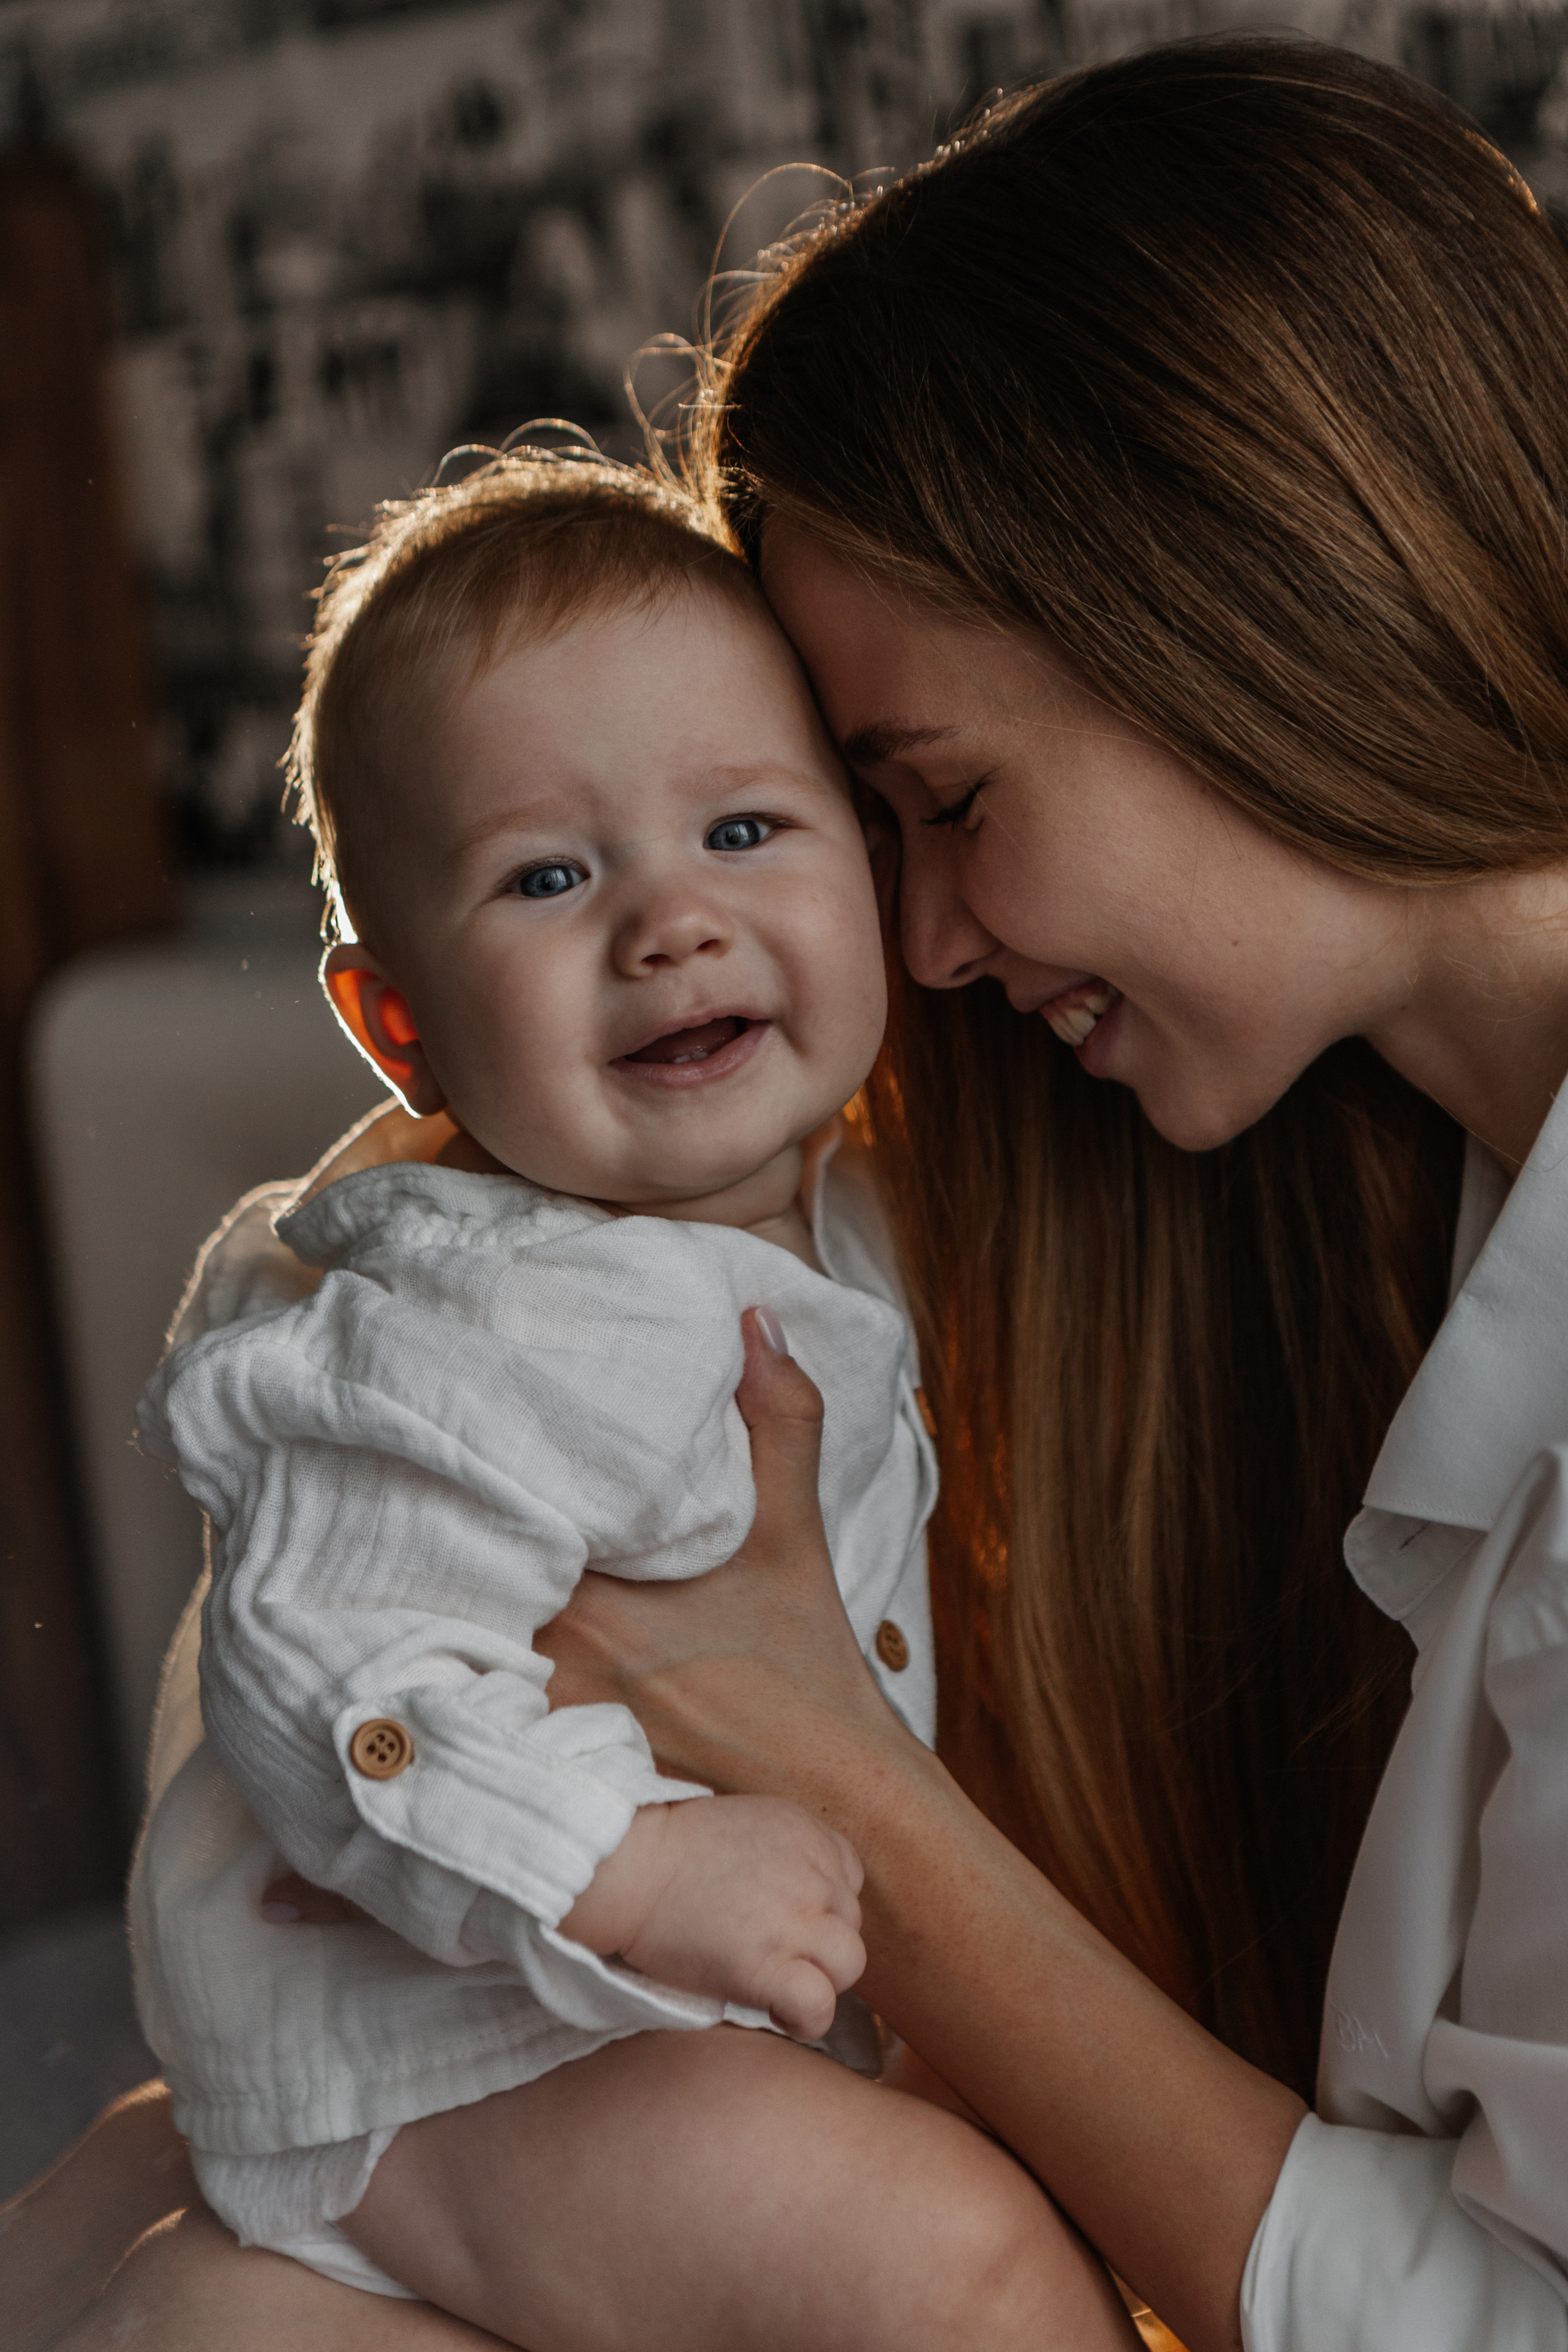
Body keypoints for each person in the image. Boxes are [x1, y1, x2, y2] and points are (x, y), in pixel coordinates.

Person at [8, 33, 1568, 2352]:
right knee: (129, 2227)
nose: (927, 942)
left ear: (1238, 608)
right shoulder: (1321, 1187)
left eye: (916, 798)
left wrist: (816, 1763)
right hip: (519, 2013)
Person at [124, 450, 1134, 2352]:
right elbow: (333, 1674)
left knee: (1031, 2205)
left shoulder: (858, 1207)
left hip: (679, 2004)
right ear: (398, 1019)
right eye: (550, 876)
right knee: (963, 2273)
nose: (667, 922)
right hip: (443, 2058)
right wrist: (626, 1861)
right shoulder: (452, 1330)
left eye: (746, 830)